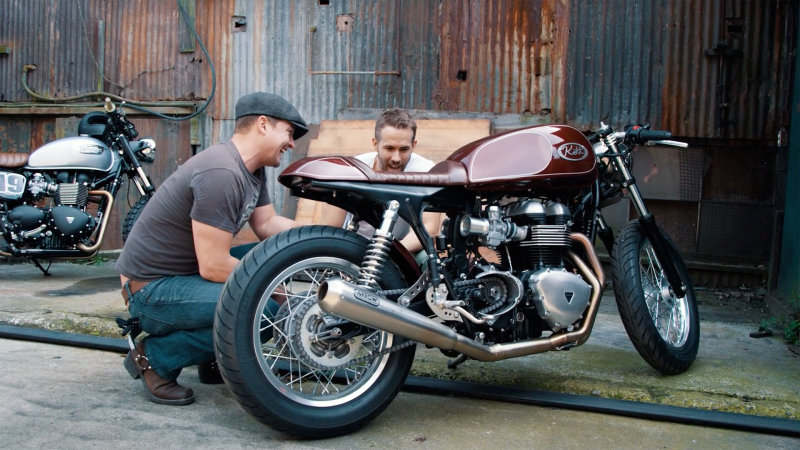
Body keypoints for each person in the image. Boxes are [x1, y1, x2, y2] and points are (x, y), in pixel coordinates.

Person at [115, 92, 308, 405]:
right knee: (266, 312)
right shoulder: (222, 172)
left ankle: (214, 358)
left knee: (270, 259)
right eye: (289, 132)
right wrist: (277, 291)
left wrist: (320, 237)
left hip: (181, 277)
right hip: (150, 291)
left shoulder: (251, 170)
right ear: (262, 124)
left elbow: (267, 225)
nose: (292, 143)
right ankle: (155, 359)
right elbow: (214, 266)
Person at [319, 108, 440, 257]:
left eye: (404, 149)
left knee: (427, 258)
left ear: (414, 145)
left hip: (399, 250)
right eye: (389, 148)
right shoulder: (352, 170)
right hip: (351, 249)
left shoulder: (425, 172)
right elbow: (330, 228)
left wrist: (385, 254)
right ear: (375, 143)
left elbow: (430, 229)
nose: (396, 158)